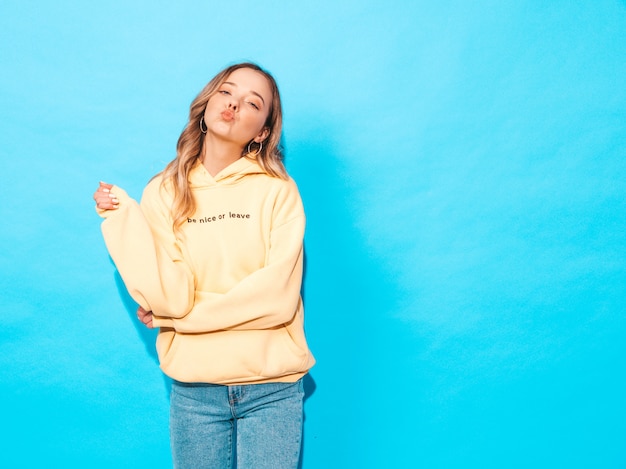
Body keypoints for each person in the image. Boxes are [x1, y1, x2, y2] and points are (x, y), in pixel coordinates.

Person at [93, 62, 315, 469]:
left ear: (262, 131)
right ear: (209, 102)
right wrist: (122, 218)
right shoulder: (164, 190)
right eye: (227, 92)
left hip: (273, 389)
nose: (234, 105)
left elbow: (276, 300)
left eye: (253, 103)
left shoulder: (278, 191)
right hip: (195, 391)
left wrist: (176, 320)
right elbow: (169, 295)